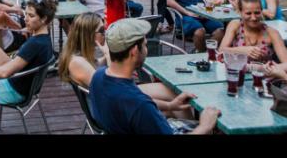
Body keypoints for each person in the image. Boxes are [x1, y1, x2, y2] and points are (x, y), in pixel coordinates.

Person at [87, 18, 221, 134]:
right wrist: (205, 126)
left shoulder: (99, 76)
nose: (146, 50)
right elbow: (138, 105)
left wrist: (170, 105)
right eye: (144, 45)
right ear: (134, 51)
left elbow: (131, 105)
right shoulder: (140, 105)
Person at [59, 13, 192, 118]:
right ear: (88, 35)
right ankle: (191, 126)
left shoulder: (78, 57)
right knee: (171, 95)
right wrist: (109, 56)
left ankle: (185, 124)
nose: (105, 33)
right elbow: (110, 86)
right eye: (102, 30)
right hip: (108, 110)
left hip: (111, 101)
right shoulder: (77, 62)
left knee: (170, 95)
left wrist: (105, 57)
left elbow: (97, 68)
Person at [0, 0, 55, 105]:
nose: (26, 19)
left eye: (31, 16)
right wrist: (30, 30)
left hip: (13, 90)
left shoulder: (34, 44)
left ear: (44, 19)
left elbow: (5, 73)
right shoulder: (44, 38)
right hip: (20, 80)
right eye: (26, 14)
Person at [219, 0, 287, 63]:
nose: (253, 18)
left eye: (257, 13)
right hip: (236, 73)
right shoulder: (235, 25)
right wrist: (242, 50)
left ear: (261, 11)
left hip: (263, 73)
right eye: (248, 13)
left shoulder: (272, 33)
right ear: (240, 12)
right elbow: (221, 50)